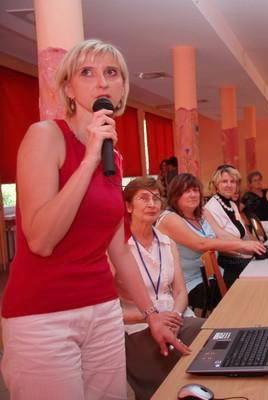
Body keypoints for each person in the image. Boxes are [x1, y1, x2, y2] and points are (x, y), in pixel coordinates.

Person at [0, 39, 186, 400]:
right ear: (69, 88)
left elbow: (119, 249)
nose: (102, 82)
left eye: (111, 73)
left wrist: (151, 314)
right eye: (87, 72)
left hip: (103, 310)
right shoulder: (45, 136)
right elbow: (41, 240)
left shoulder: (114, 158)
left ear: (121, 88)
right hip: (43, 316)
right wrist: (88, 159)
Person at [121, 177, 204, 400]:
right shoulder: (118, 247)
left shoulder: (167, 242)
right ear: (128, 206)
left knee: (212, 335)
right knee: (166, 380)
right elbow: (109, 309)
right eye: (144, 198)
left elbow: (180, 291)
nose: (152, 204)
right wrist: (151, 318)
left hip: (177, 318)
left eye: (156, 198)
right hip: (138, 326)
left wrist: (175, 315)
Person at [156, 173, 265, 299]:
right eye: (186, 191)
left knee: (253, 275)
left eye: (195, 190)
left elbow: (221, 234)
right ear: (175, 195)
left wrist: (251, 247)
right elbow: (201, 244)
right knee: (245, 292)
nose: (193, 195)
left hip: (215, 274)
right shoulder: (169, 218)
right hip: (188, 285)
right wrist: (242, 246)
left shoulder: (202, 212)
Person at [204, 165, 263, 286]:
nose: (229, 185)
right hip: (228, 263)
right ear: (216, 185)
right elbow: (220, 242)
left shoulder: (232, 204)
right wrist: (248, 252)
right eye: (224, 181)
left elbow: (245, 234)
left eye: (232, 181)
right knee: (262, 273)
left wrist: (259, 245)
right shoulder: (211, 208)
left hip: (241, 256)